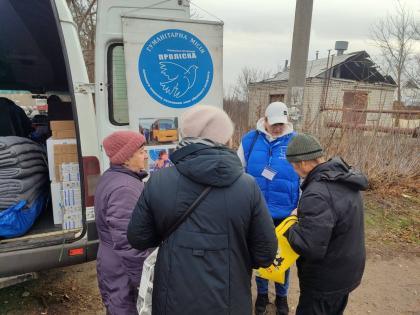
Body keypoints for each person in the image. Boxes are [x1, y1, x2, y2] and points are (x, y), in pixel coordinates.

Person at [127, 105, 277, 315]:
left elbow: (138, 237)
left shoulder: (159, 181)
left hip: (173, 300)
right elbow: (265, 254)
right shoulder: (247, 186)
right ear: (224, 138)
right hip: (230, 302)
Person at [285, 134, 368, 315]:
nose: (294, 170)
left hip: (324, 282)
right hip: (346, 273)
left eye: (293, 165)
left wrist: (290, 227)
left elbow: (309, 246)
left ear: (304, 163)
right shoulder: (343, 178)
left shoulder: (316, 192)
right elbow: (334, 216)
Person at [237, 101, 300, 315]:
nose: (278, 128)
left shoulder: (296, 142)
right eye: (274, 123)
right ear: (265, 120)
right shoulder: (250, 141)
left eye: (281, 123)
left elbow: (305, 178)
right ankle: (262, 294)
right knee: (261, 255)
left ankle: (281, 297)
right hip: (257, 212)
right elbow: (238, 173)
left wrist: (300, 207)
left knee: (284, 257)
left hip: (286, 213)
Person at [94, 130, 150, 315]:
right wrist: (143, 281)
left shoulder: (114, 177)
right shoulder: (124, 188)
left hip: (114, 263)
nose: (147, 155)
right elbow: (129, 243)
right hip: (122, 270)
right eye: (141, 151)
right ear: (126, 158)